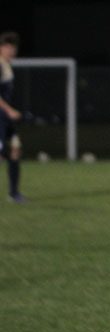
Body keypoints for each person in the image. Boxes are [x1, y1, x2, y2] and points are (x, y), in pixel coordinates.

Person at [0, 31, 26, 204]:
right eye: (8, 47)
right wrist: (9, 110)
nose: (12, 51)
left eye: (14, 48)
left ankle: (14, 193)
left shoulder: (8, 66)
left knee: (16, 148)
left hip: (5, 119)